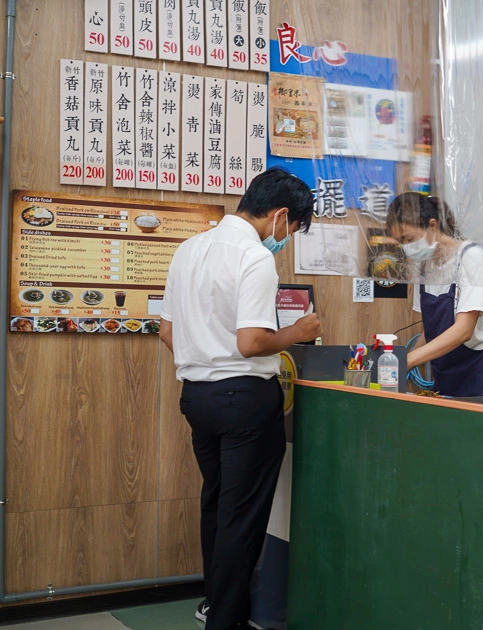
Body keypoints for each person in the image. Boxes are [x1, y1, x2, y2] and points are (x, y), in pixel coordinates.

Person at [159, 168, 320, 630]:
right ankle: (226, 622)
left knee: (217, 503)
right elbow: (252, 343)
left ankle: (213, 604)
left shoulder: (189, 249)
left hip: (198, 399)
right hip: (245, 400)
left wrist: (207, 359)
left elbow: (166, 331)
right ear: (281, 215)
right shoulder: (254, 257)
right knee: (242, 516)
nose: (286, 238)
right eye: (292, 229)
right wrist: (299, 331)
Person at [386, 192, 483, 400]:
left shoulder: (472, 258)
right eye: (401, 242)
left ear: (432, 226)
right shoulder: (423, 267)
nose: (406, 247)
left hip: (481, 377)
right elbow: (431, 331)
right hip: (445, 380)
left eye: (409, 239)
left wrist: (408, 360)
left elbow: (464, 330)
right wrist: (394, 360)